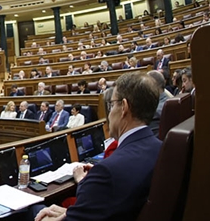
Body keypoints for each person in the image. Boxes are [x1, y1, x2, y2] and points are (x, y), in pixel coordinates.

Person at [34, 72, 162, 221]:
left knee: (34, 210)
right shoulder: (162, 149)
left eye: (112, 104)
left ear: (124, 107)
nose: (110, 111)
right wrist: (68, 213)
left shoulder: (108, 171)